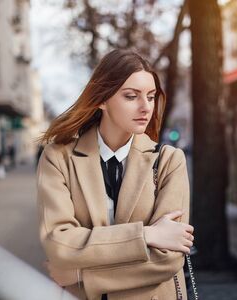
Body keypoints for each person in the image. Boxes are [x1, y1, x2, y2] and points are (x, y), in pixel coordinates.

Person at [37, 49, 194, 300]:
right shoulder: (58, 158)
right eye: (131, 96)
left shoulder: (168, 160)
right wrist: (147, 235)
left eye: (151, 97)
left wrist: (82, 276)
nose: (146, 107)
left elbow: (167, 258)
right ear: (102, 99)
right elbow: (59, 244)